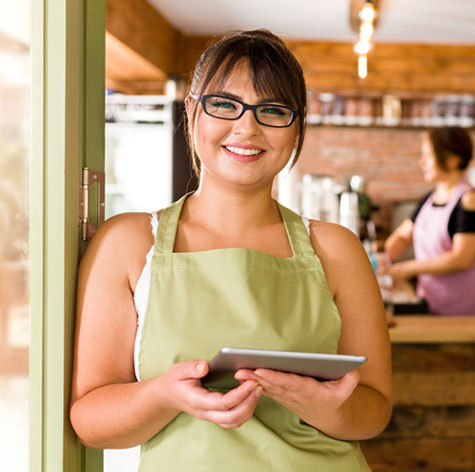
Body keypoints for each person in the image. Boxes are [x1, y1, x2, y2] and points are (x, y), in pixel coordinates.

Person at [70, 29, 392, 471]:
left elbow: (374, 410)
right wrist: (164, 395)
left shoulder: (338, 249)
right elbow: (90, 418)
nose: (247, 127)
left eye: (273, 110)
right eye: (224, 104)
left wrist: (324, 407)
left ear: (298, 127)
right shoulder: (127, 243)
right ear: (191, 110)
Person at [384, 127, 475, 315]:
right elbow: (402, 236)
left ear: (452, 160)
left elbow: (462, 259)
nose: (422, 162)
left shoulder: (469, 200)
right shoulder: (428, 199)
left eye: (428, 155)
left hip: (463, 313)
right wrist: (384, 259)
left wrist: (406, 269)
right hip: (430, 303)